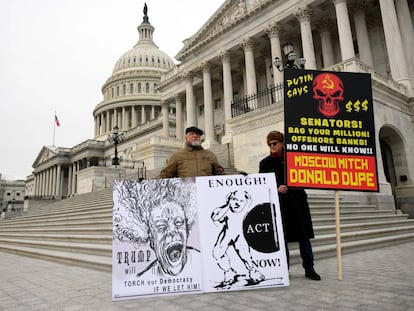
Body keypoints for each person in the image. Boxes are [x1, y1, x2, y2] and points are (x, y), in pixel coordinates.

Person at [259, 130, 321, 281]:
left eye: (275, 143)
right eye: (269, 144)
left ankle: (309, 268)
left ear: (282, 143)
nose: (272, 146)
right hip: (280, 205)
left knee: (304, 237)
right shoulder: (265, 163)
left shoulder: (295, 158)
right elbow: (262, 184)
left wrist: (290, 186)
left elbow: (305, 177)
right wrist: (276, 188)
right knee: (282, 238)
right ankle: (283, 270)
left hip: (298, 203)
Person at [157, 126, 225, 178]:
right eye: (192, 134)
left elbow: (219, 173)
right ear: (186, 137)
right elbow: (166, 174)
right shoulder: (177, 156)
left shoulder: (210, 155)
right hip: (186, 192)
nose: (195, 136)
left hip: (205, 192)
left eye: (197, 134)